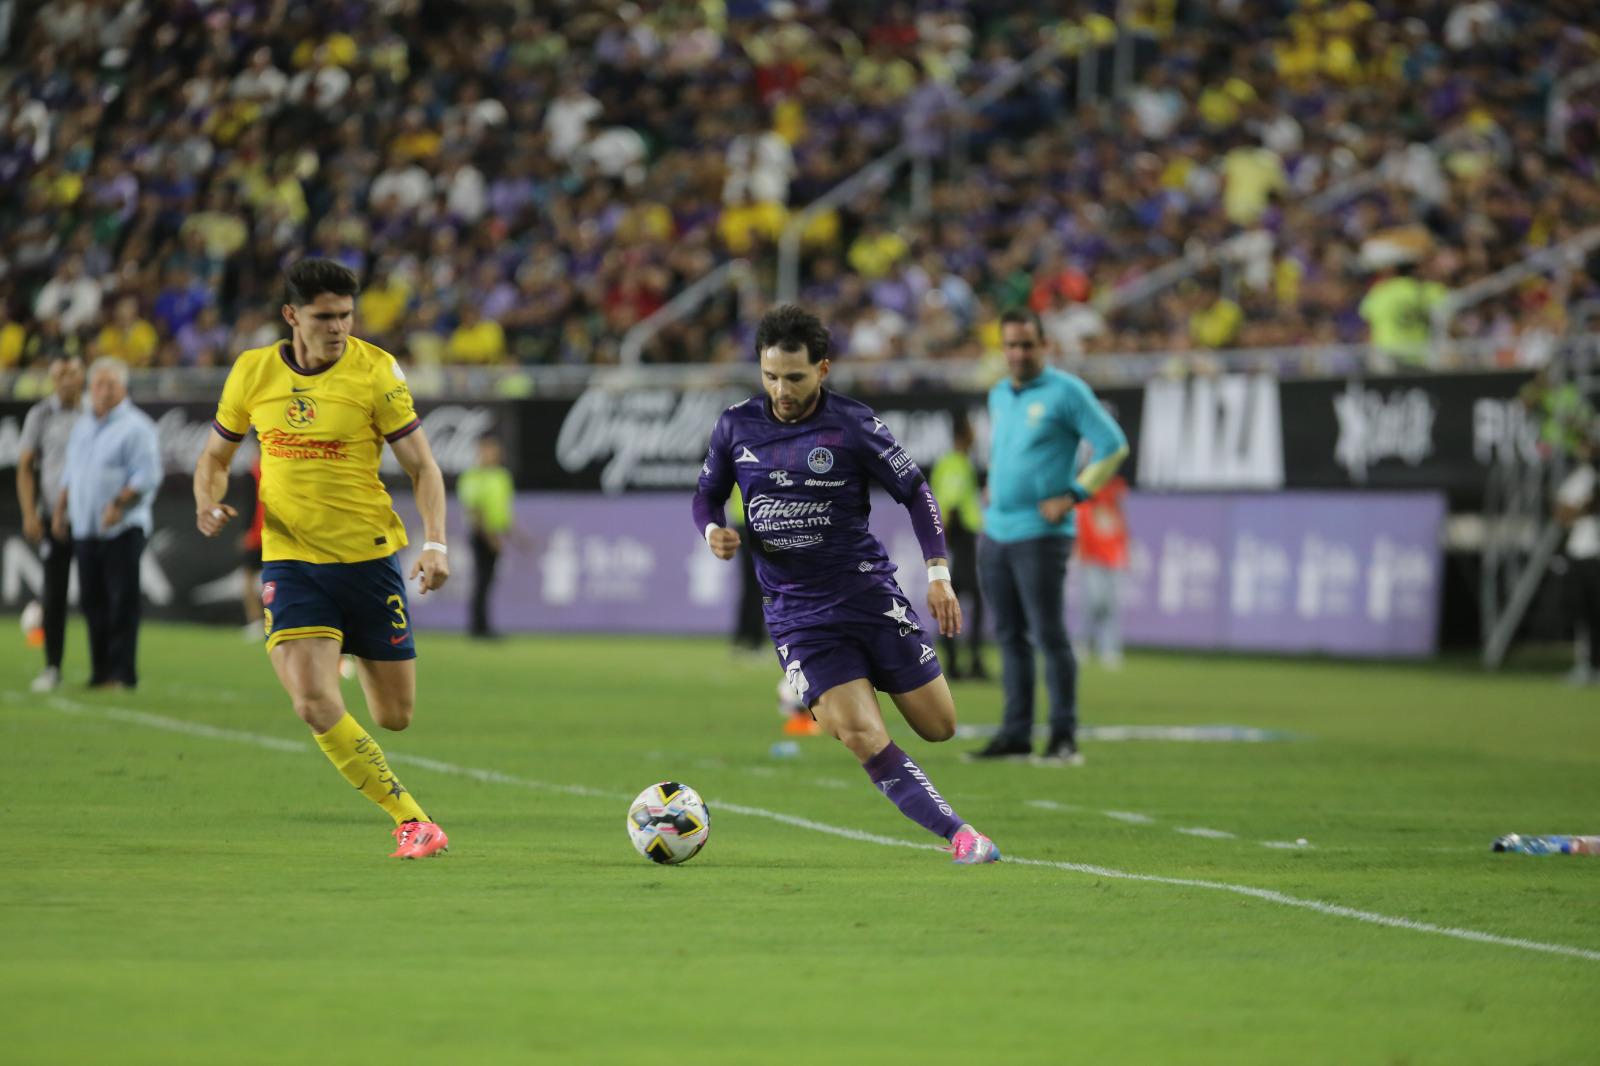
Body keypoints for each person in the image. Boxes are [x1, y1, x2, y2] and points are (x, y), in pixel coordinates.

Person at [693, 304, 1001, 864]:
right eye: (769, 376)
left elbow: (916, 492)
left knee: (940, 727)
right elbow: (706, 494)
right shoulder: (736, 424)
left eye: (794, 377)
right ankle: (961, 835)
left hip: (867, 595)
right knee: (860, 733)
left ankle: (858, 680)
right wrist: (713, 528)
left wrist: (939, 576)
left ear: (824, 369)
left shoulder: (854, 424)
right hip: (798, 614)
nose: (780, 390)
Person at [193, 258, 452, 860]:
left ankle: (351, 650)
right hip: (290, 562)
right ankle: (412, 820)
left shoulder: (375, 371)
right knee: (311, 702)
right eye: (324, 316)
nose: (338, 327)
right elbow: (213, 457)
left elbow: (422, 466)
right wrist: (208, 503)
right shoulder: (252, 373)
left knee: (394, 716)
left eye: (345, 315)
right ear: (291, 316)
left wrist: (435, 542)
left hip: (368, 560)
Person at [971, 308, 1128, 765]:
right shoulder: (1000, 393)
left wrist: (1075, 493)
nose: (1018, 353)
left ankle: (1063, 736)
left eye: (1027, 345)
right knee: (1008, 636)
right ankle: (1016, 734)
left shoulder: (1066, 391)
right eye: (1011, 345)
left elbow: (1113, 445)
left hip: (1041, 532)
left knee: (1048, 634)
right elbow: (1010, 450)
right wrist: (994, 484)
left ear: (1045, 347)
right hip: (996, 529)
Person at [54, 358, 162, 690]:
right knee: (92, 602)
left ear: (123, 388)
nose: (102, 391)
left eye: (110, 385)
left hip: (123, 527)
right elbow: (71, 473)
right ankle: (100, 672)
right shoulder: (84, 424)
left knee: (121, 601)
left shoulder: (136, 427)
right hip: (86, 526)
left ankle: (122, 673)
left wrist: (118, 503)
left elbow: (147, 476)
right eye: (98, 384)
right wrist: (60, 511)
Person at [16, 354, 85, 692]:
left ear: (82, 376)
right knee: (54, 594)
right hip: (53, 518)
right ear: (53, 378)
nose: (68, 380)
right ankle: (52, 666)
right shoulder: (40, 414)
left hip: (90, 517)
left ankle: (105, 670)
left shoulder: (94, 411)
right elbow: (25, 465)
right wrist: (29, 513)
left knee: (99, 594)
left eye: (73, 373)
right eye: (61, 374)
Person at [929, 411, 987, 680]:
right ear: (964, 432)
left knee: (961, 599)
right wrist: (945, 545)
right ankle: (966, 663)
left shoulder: (947, 462)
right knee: (968, 598)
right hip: (959, 537)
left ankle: (956, 662)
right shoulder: (956, 463)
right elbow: (950, 503)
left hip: (956, 538)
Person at [457, 435, 514, 639]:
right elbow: (475, 511)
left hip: (495, 533)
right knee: (482, 581)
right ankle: (479, 627)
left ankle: (481, 626)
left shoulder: (501, 476)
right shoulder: (472, 477)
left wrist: (511, 535)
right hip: (481, 535)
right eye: (487, 450)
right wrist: (491, 538)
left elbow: (502, 510)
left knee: (486, 582)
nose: (491, 454)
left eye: (494, 450)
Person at [1555, 430, 1600, 686]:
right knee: (1583, 615)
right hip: (1582, 554)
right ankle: (1585, 664)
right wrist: (1589, 505)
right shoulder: (1582, 478)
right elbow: (1562, 514)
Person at [1076, 474, 1130, 669]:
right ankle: (1083, 643)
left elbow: (1121, 536)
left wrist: (1124, 557)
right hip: (1092, 561)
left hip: (1112, 562)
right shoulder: (1087, 509)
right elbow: (1081, 537)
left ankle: (1109, 649)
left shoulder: (1115, 511)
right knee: (1093, 603)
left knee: (1110, 606)